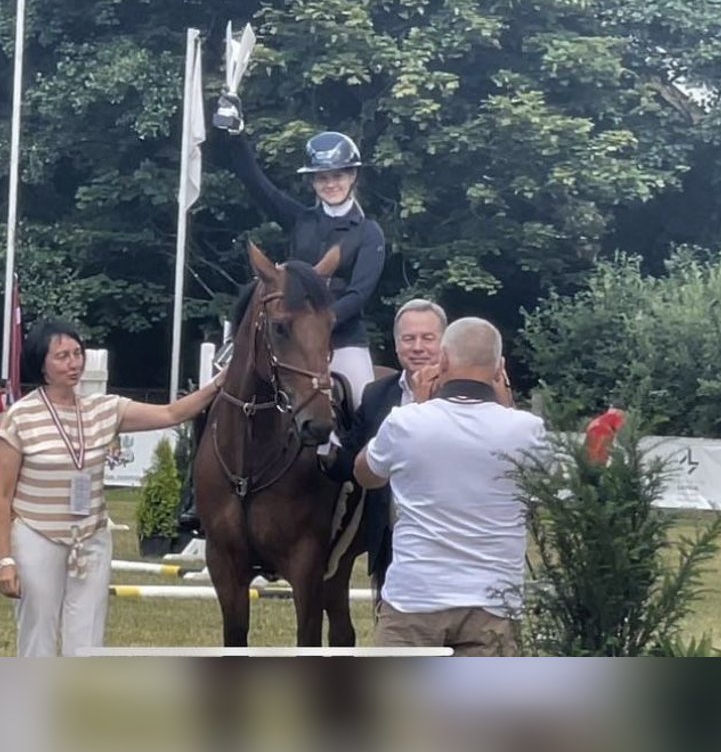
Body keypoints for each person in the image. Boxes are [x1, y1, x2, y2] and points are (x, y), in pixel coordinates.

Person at [0, 318, 224, 657]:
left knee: (88, 638)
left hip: (91, 537)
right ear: (41, 365)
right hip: (38, 536)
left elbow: (172, 413)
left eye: (77, 353)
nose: (74, 363)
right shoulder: (20, 417)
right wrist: (5, 561)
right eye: (62, 356)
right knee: (38, 631)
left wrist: (218, 384)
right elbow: (0, 496)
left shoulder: (104, 408)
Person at [354, 317, 547, 656]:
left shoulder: (406, 422)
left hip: (415, 598)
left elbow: (366, 474)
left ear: (441, 361)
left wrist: (416, 406)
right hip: (494, 603)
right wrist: (508, 406)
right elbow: (541, 489)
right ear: (500, 367)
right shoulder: (527, 429)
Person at [215, 93, 385, 411]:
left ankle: (361, 460)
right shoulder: (300, 219)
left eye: (337, 176)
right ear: (313, 182)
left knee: (363, 402)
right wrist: (236, 137)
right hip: (291, 339)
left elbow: (359, 293)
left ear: (352, 176)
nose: (330, 184)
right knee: (228, 386)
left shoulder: (368, 232)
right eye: (322, 178)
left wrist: (319, 321)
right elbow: (258, 186)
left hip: (344, 339)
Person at [325, 298, 447, 602]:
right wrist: (322, 436)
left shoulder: (464, 391)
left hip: (453, 543)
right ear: (397, 345)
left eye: (427, 338)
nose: (418, 346)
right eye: (409, 338)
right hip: (393, 545)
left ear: (445, 342)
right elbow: (348, 463)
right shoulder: (377, 393)